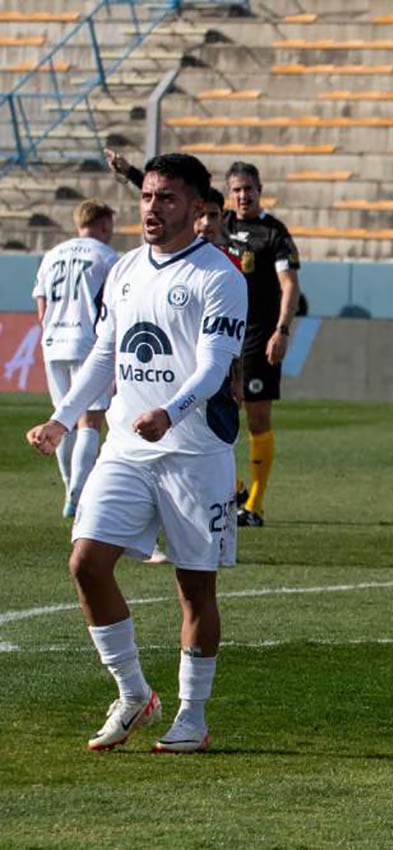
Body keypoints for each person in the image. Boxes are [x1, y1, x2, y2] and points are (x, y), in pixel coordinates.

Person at [25, 152, 248, 753]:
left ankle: (192, 718)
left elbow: (213, 367)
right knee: (85, 563)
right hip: (126, 446)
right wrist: (62, 419)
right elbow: (104, 353)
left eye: (167, 198)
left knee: (195, 588)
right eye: (147, 196)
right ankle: (132, 694)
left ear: (198, 207)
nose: (152, 208)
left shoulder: (220, 276)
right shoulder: (122, 269)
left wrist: (170, 412)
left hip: (194, 454)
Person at [222, 161, 301, 527]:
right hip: (222, 335)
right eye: (236, 189)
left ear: (259, 189)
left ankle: (254, 503)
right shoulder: (219, 225)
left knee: (256, 419)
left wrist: (281, 331)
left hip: (257, 338)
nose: (243, 195)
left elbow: (289, 284)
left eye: (248, 189)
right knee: (213, 416)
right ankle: (233, 487)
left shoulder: (273, 233)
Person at [31, 199, 119, 518]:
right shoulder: (107, 257)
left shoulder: (53, 254)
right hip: (88, 343)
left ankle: (69, 482)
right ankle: (77, 492)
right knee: (89, 420)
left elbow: (40, 306)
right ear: (103, 223)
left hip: (53, 341)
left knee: (62, 417)